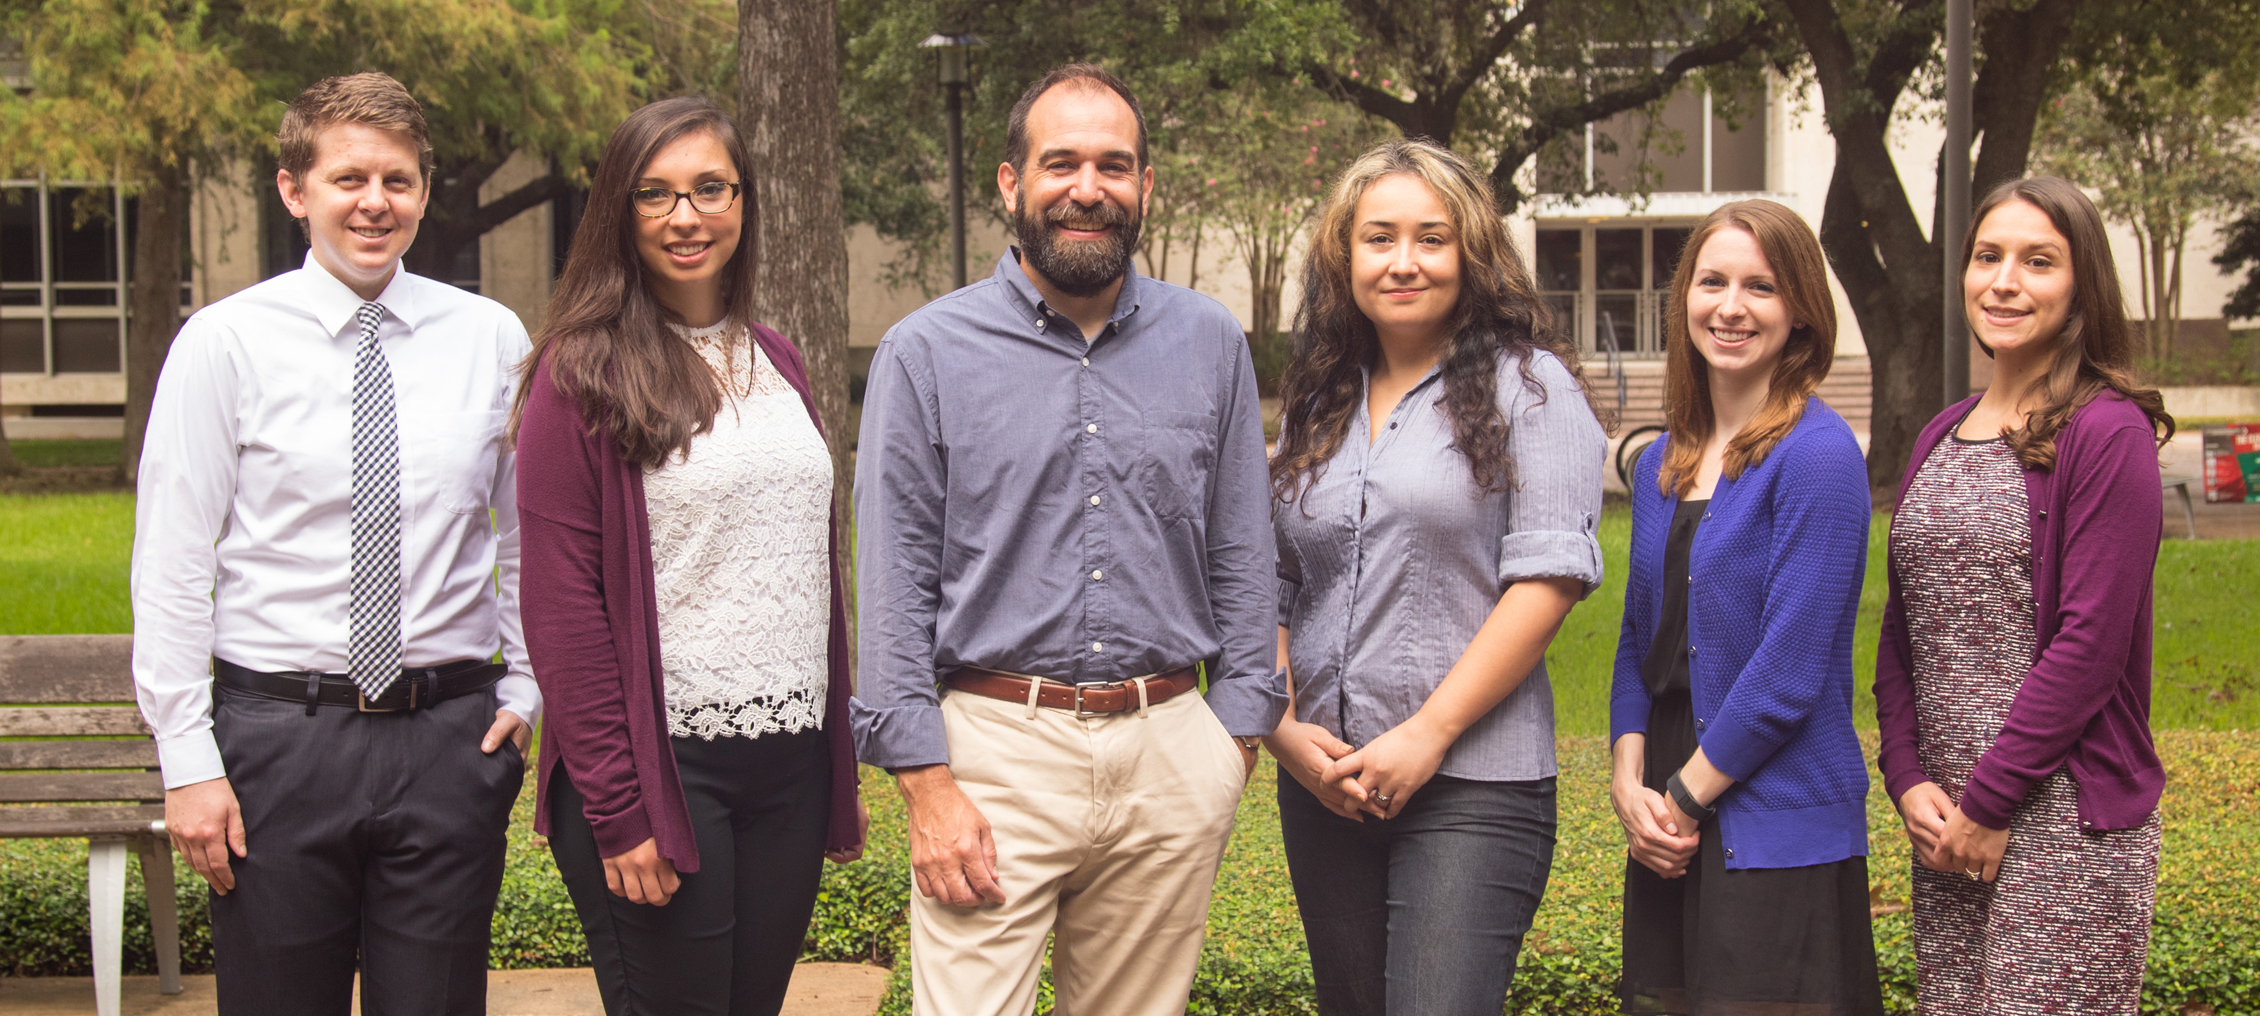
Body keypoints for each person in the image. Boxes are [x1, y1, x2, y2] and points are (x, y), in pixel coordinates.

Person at [849, 63, 1282, 1016]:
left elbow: (1245, 555)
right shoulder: (924, 353)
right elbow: (890, 584)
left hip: (1171, 749)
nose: (1088, 189)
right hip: (991, 752)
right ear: (1012, 183)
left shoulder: (1211, 343)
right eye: (1062, 164)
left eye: (1114, 165)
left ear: (1144, 187)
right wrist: (925, 786)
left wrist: (1234, 740)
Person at [130, 72, 537, 1015]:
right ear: (294, 190)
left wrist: (525, 686)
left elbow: (524, 534)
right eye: (348, 177)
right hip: (279, 744)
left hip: (448, 739)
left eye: (397, 180)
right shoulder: (223, 343)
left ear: (424, 193)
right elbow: (174, 562)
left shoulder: (489, 337)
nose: (374, 203)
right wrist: (188, 760)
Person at [510, 96, 865, 1016]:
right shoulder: (577, 372)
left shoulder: (776, 358)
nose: (686, 216)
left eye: (710, 189)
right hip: (664, 771)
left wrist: (832, 770)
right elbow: (561, 611)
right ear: (618, 213)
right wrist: (620, 810)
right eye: (655, 194)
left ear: (743, 203)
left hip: (787, 767)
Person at [1265, 139, 1606, 1016]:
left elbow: (1548, 582)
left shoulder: (1534, 390)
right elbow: (1272, 579)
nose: (1404, 262)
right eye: (1380, 239)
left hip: (1471, 786)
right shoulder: (1319, 399)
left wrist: (1426, 734)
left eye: (1432, 238)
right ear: (1346, 255)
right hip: (1327, 785)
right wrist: (1284, 730)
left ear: (1473, 253)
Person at [1874, 176, 2173, 1014]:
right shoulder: (1944, 429)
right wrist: (1907, 780)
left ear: (2081, 286)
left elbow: (2090, 644)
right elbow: (1905, 629)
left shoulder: (2107, 432)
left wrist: (1991, 799)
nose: (2004, 281)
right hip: (1946, 825)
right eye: (1988, 257)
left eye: (2038, 262)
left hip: (2060, 822)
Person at [1605, 199, 1883, 1015]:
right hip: (1667, 823)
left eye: (1760, 287)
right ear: (1684, 296)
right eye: (1712, 281)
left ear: (1799, 311)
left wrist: (1684, 797)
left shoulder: (1819, 456)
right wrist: (1630, 785)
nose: (1730, 306)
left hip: (1774, 823)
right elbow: (1637, 640)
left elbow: (1788, 673)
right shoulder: (1664, 461)